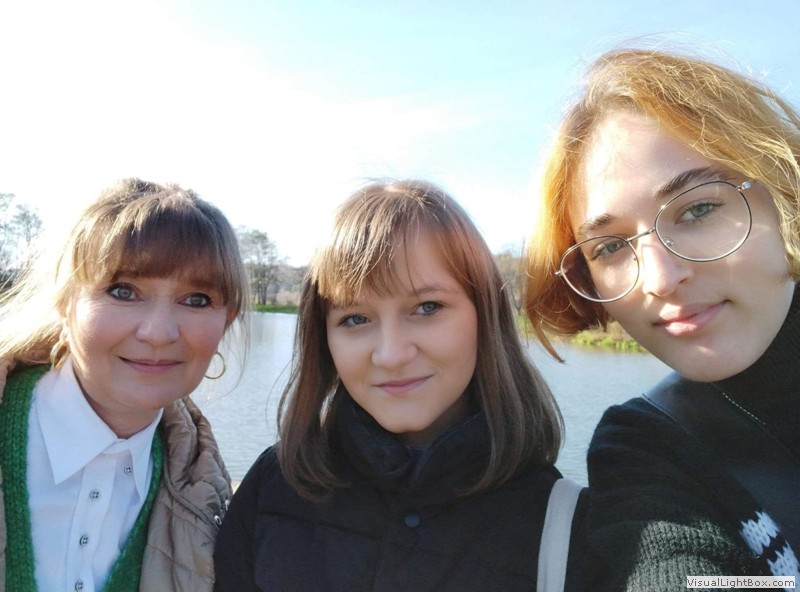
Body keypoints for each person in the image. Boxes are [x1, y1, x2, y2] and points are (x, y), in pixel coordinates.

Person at [214, 179, 583, 591]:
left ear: (486, 315)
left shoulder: (561, 523)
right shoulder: (274, 487)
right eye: (355, 318)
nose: (390, 355)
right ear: (324, 339)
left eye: (427, 307)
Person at [524, 46, 800, 590]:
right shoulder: (646, 449)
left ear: (785, 190)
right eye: (609, 247)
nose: (660, 278)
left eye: (698, 209)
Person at [0, 178, 249, 592]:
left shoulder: (212, 498)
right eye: (123, 291)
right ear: (65, 302)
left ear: (227, 320)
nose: (159, 332)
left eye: (196, 299)